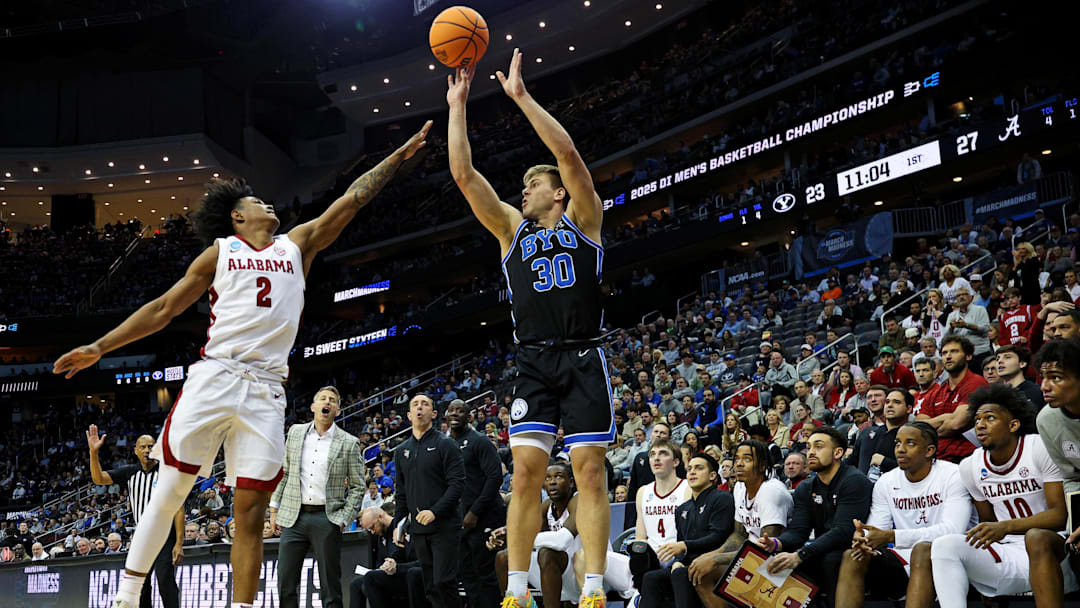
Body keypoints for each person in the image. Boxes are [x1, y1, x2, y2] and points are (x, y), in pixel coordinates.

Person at [53, 123, 431, 608]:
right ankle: (127, 598)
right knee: (169, 490)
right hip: (217, 375)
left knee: (250, 514)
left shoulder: (298, 244)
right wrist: (99, 347)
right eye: (257, 201)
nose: (268, 204)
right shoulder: (220, 252)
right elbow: (163, 309)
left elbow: (353, 200)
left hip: (267, 390)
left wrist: (397, 156)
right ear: (237, 216)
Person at [448, 52, 612, 608]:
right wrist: (458, 107)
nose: (524, 190)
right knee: (524, 475)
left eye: (532, 183)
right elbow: (464, 176)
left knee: (589, 472)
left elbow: (566, 152)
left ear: (558, 193)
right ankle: (515, 590)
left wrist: (520, 98)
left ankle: (592, 585)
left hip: (584, 355)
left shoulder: (585, 218)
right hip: (533, 361)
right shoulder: (511, 232)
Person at [930, 384, 1075, 606]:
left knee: (1036, 537)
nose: (980, 425)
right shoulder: (970, 466)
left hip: (1054, 549)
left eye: (989, 418)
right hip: (1008, 551)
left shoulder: (1037, 447)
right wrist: (994, 534)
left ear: (1013, 424)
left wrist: (1005, 526)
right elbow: (988, 524)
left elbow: (1059, 516)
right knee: (943, 545)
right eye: (977, 419)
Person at [834, 422, 974, 608]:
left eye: (910, 443)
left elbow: (952, 530)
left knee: (922, 550)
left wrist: (893, 536)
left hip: (950, 556)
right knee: (853, 556)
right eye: (898, 443)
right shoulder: (887, 481)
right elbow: (878, 528)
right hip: (904, 557)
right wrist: (866, 539)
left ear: (929, 450)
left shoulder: (953, 475)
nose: (900, 449)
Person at [270, 386, 365, 608]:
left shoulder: (349, 442)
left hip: (327, 518)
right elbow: (284, 472)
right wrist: (274, 508)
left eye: (332, 400)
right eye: (323, 398)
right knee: (285, 582)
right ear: (313, 406)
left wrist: (343, 518)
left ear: (338, 410)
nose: (327, 402)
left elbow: (359, 487)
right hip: (294, 516)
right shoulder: (295, 432)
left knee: (330, 587)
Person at [757, 427, 872, 607]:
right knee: (776, 563)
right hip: (823, 549)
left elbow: (843, 531)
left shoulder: (854, 480)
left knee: (828, 560)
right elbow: (798, 531)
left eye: (818, 447)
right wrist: (777, 543)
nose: (811, 452)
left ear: (838, 453)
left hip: (855, 552)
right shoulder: (806, 487)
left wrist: (801, 555)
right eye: (809, 447)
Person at [87, 427, 182, 608]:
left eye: (151, 446)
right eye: (143, 447)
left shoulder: (167, 473)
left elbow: (179, 508)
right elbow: (99, 479)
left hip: (165, 535)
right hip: (141, 537)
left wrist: (178, 542)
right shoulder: (129, 472)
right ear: (136, 451)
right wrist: (93, 453)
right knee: (141, 586)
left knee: (165, 582)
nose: (147, 450)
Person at [687, 440, 792, 597]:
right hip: (751, 556)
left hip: (780, 559)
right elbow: (739, 535)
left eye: (747, 459)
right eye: (737, 459)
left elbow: (766, 548)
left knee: (710, 570)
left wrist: (715, 559)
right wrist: (709, 556)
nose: (739, 464)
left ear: (762, 465)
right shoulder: (740, 487)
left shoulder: (771, 491)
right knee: (700, 573)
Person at [638, 453, 735, 608]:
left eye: (699, 468)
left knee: (681, 574)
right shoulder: (682, 509)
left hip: (715, 561)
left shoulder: (722, 498)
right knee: (651, 578)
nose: (692, 472)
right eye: (689, 469)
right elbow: (682, 547)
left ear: (712, 476)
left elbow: (718, 537)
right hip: (689, 563)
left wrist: (685, 546)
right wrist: (677, 561)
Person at [446, 399, 506, 608]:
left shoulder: (479, 441)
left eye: (460, 411)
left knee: (487, 576)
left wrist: (475, 512)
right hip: (460, 521)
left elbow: (495, 477)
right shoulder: (446, 445)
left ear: (469, 416)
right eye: (451, 410)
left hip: (485, 517)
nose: (454, 414)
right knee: (467, 576)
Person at [492, 462, 580, 604]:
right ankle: (515, 604)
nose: (552, 482)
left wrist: (516, 537)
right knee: (504, 557)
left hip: (586, 570)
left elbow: (561, 541)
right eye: (547, 478)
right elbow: (526, 529)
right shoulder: (547, 506)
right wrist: (505, 533)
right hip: (561, 569)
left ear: (570, 482)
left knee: (546, 553)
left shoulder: (580, 500)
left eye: (558, 477)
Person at [629, 439, 691, 590]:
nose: (656, 458)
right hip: (649, 559)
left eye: (663, 453)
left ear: (676, 462)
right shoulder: (643, 492)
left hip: (677, 557)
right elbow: (640, 536)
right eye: (652, 454)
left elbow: (691, 533)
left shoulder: (687, 488)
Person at [916, 336, 988, 463]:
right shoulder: (937, 391)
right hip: (936, 460)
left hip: (966, 458)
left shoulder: (975, 383)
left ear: (968, 356)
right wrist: (946, 418)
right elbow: (919, 427)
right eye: (944, 353)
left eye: (954, 351)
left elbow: (956, 423)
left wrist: (933, 425)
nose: (948, 356)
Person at [352, 506, 426, 608]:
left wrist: (394, 564)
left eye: (372, 527)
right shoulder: (382, 535)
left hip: (406, 572)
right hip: (395, 571)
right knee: (356, 583)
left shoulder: (402, 530)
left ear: (381, 517)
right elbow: (385, 558)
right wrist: (384, 565)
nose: (372, 532)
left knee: (371, 578)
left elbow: (402, 555)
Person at [846, 389, 911, 481]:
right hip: (861, 491)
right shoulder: (867, 432)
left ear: (909, 409)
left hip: (896, 492)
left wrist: (885, 462)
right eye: (887, 402)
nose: (890, 405)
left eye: (896, 402)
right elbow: (850, 462)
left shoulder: (912, 436)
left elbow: (916, 469)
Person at [945, 287, 993, 372]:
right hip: (962, 356)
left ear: (971, 297)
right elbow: (946, 338)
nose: (961, 297)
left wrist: (966, 325)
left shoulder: (980, 310)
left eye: (964, 294)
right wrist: (951, 328)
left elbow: (985, 329)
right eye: (959, 295)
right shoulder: (951, 315)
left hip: (980, 353)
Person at [995, 345, 1044, 409]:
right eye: (997, 359)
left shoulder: (1037, 393)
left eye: (1007, 357)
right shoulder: (995, 395)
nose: (1000, 361)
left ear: (1022, 363)